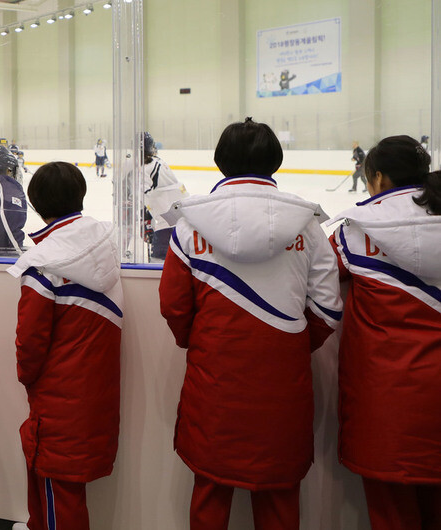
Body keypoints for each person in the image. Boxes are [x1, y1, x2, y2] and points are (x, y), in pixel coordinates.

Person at [159, 118, 342, 529]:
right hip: (283, 384)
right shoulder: (309, 227)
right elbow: (329, 309)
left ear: (221, 162)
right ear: (274, 161)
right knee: (279, 497)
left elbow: (173, 305)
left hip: (213, 381)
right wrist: (288, 344)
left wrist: (205, 342)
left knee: (209, 492)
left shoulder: (190, 226)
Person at [328, 135, 441, 530]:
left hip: (386, 404)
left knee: (393, 516)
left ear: (377, 177)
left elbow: (319, 282)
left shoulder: (354, 231)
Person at [6, 162, 123, 530]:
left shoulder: (43, 262)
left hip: (57, 396)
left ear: (37, 204)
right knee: (53, 480)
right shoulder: (103, 245)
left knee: (59, 489)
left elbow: (30, 342)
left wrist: (26, 377)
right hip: (94, 391)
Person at [140, 133, 187, 261]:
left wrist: (144, 217)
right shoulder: (158, 162)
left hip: (168, 222)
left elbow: (142, 193)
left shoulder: (147, 167)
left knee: (159, 259)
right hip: (180, 216)